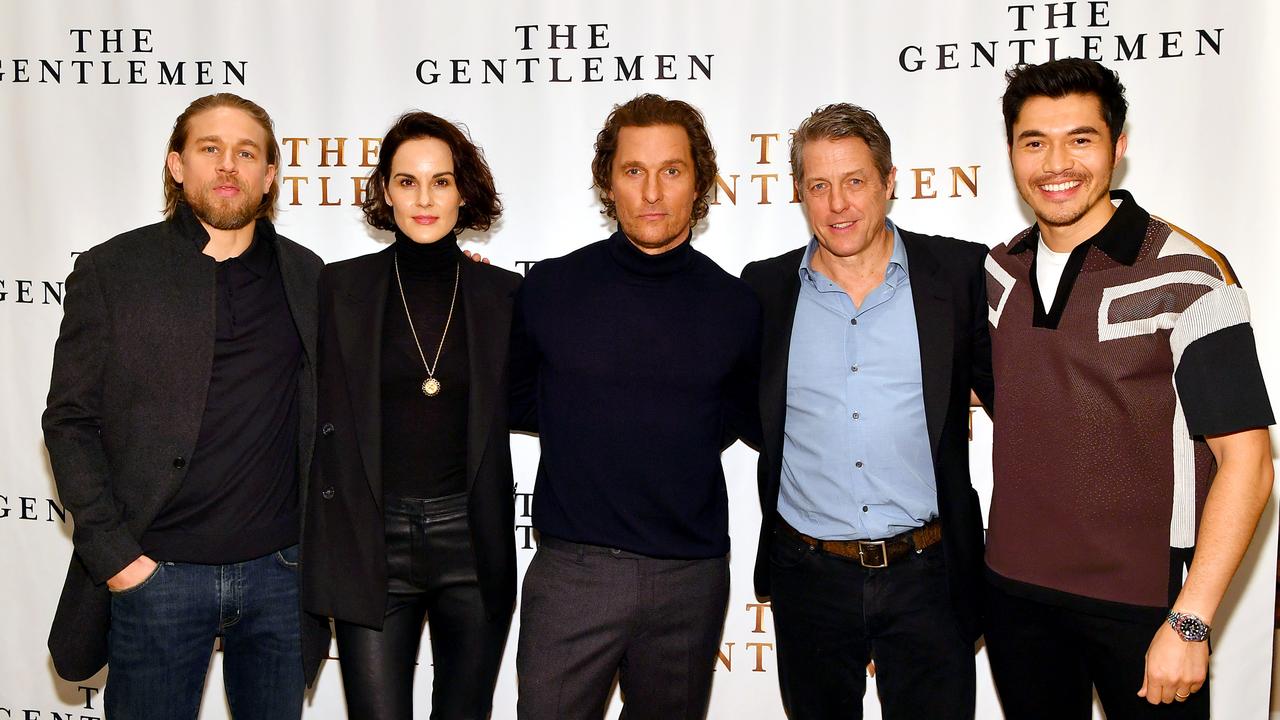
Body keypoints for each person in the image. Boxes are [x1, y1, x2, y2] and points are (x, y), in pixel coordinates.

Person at [983, 58, 1274, 718]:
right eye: (1035, 142)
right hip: (1014, 598)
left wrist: (1191, 621)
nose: (1057, 163)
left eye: (1080, 139)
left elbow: (1249, 465)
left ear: (1118, 146)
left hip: (1146, 608)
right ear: (1011, 153)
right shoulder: (998, 272)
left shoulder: (1189, 274)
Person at [42, 93, 326, 719]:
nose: (229, 166)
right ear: (176, 165)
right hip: (157, 576)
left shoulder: (309, 277)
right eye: (210, 149)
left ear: (270, 175)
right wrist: (118, 560)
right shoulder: (112, 271)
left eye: (246, 153)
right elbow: (67, 423)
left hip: (282, 575)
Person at [510, 94, 760, 720]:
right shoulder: (548, 289)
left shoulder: (735, 305)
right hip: (574, 571)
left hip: (691, 578)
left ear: (699, 181)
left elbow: (735, 417)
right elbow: (518, 398)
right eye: (633, 170)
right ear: (607, 181)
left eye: (671, 170)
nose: (652, 190)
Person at [739, 103, 993, 720]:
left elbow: (1023, 386)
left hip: (930, 573)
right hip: (809, 576)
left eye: (855, 181)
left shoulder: (959, 274)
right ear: (798, 192)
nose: (838, 205)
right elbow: (741, 411)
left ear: (888, 182)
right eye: (819, 186)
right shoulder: (763, 289)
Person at [301, 111, 520, 719]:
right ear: (385, 191)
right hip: (371, 543)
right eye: (407, 181)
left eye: (441, 181)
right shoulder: (338, 290)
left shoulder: (504, 297)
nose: (424, 198)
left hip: (471, 544)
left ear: (463, 191)